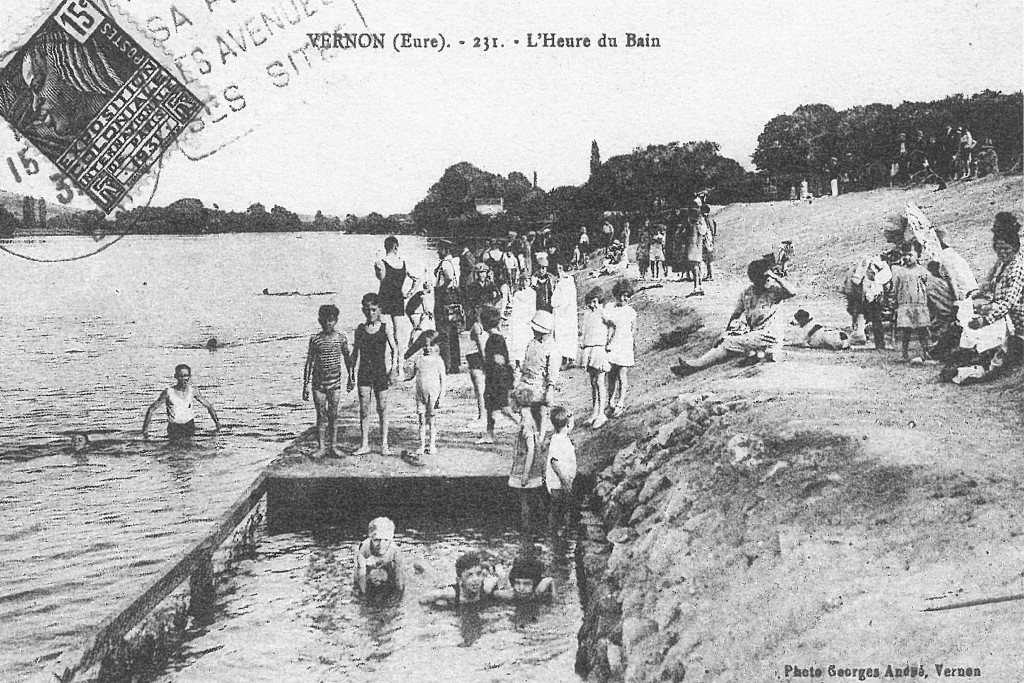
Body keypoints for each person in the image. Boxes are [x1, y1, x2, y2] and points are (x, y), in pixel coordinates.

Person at [674, 258, 798, 374]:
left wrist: (775, 276)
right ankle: (757, 354)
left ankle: (697, 365)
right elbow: (736, 315)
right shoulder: (747, 293)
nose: (764, 282)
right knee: (726, 339)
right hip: (754, 335)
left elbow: (792, 291)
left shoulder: (774, 292)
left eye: (766, 278)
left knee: (729, 343)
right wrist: (726, 332)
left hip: (770, 336)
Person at [302, 304, 353, 457]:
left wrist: (351, 377)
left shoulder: (341, 338)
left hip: (335, 383)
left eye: (331, 320)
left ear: (336, 321)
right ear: (320, 321)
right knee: (321, 415)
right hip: (318, 384)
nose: (328, 324)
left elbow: (347, 358)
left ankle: (334, 446)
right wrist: (305, 385)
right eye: (325, 321)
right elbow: (309, 362)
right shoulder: (315, 340)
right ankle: (321, 447)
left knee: (334, 414)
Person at [351, 293, 397, 455]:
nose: (370, 313)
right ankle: (364, 444)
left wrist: (394, 369)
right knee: (364, 409)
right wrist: (350, 374)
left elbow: (395, 349)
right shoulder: (360, 330)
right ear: (363, 310)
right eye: (367, 310)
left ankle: (384, 444)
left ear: (379, 310)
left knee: (382, 407)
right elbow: (355, 353)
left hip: (380, 372)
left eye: (373, 310)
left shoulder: (385, 328)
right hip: (364, 372)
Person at [463, 263, 501, 423]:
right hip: (478, 322)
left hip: (489, 321)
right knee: (479, 379)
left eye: (484, 272)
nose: (481, 275)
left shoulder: (491, 285)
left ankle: (493, 410)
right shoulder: (471, 288)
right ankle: (482, 413)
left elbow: (498, 297)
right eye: (479, 273)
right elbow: (471, 307)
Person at [142, 364, 221, 441]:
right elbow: (151, 409)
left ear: (189, 377)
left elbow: (209, 406)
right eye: (180, 376)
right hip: (174, 428)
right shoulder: (169, 392)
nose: (183, 378)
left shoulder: (193, 391)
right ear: (175, 376)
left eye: (186, 375)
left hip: (189, 426)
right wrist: (145, 431)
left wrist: (218, 425)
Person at [477, 306, 518, 445]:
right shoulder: (495, 338)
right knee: (490, 407)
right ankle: (489, 434)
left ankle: (525, 426)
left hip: (498, 379)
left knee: (504, 407)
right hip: (494, 378)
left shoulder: (495, 339)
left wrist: (491, 369)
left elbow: (499, 360)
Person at [515, 310, 559, 435]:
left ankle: (540, 440)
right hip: (527, 384)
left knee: (541, 415)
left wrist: (550, 390)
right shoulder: (531, 344)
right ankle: (529, 440)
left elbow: (552, 373)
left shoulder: (552, 349)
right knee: (526, 415)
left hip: (541, 387)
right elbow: (526, 364)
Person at [375, 235, 417, 364]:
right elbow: (416, 279)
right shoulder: (403, 262)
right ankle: (399, 359)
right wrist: (409, 293)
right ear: (396, 246)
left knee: (387, 330)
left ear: (385, 247)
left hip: (384, 298)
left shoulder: (380, 262)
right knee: (399, 331)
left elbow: (381, 279)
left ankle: (393, 352)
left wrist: (377, 266)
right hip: (398, 298)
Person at [508, 391, 545, 533]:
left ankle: (526, 532)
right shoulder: (529, 420)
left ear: (518, 404)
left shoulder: (526, 424)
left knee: (524, 502)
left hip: (525, 468)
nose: (510, 405)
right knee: (532, 499)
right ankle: (536, 530)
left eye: (512, 402)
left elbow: (531, 450)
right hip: (529, 468)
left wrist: (525, 474)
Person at [406, 331, 446, 456]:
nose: (428, 348)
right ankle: (422, 445)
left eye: (432, 345)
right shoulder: (419, 360)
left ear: (438, 346)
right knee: (421, 420)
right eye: (425, 345)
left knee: (432, 420)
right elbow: (411, 375)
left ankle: (432, 444)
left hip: (433, 395)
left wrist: (441, 397)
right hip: (420, 395)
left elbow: (443, 381)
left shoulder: (438, 361)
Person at [891, 242, 931, 362]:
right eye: (904, 255)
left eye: (910, 254)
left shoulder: (923, 272)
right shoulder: (899, 272)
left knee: (922, 330)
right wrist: (895, 303)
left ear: (918, 255)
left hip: (919, 305)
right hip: (905, 305)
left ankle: (926, 352)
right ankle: (904, 354)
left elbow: (929, 287)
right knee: (905, 331)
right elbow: (896, 289)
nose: (907, 257)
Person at [421, 551, 502, 607]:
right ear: (460, 580)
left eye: (478, 574)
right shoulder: (452, 594)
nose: (475, 579)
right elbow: (423, 598)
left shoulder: (486, 588)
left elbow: (497, 577)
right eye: (469, 575)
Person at [603, 279, 637, 418]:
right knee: (611, 376)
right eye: (622, 295)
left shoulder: (631, 311)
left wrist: (630, 344)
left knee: (622, 375)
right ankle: (610, 401)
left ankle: (621, 402)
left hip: (624, 345)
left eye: (627, 296)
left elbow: (633, 330)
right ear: (617, 294)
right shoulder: (610, 308)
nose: (624, 298)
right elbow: (605, 319)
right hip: (613, 345)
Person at [580, 286, 611, 428]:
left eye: (595, 302)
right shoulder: (588, 315)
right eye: (591, 302)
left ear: (600, 301)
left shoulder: (604, 313)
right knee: (593, 382)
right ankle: (594, 411)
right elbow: (585, 332)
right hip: (589, 348)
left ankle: (601, 414)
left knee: (600, 381)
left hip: (599, 349)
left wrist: (608, 343)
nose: (592, 305)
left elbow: (613, 326)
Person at [545, 406, 576, 542]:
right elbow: (554, 462)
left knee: (564, 506)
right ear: (568, 424)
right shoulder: (557, 440)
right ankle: (554, 534)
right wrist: (563, 479)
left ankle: (562, 532)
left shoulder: (563, 438)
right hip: (558, 482)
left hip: (564, 481)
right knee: (557, 507)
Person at [354, 517, 405, 597]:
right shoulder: (363, 549)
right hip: (368, 566)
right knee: (359, 584)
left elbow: (399, 580)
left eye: (386, 540)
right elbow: (361, 576)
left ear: (391, 539)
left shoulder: (395, 551)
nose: (381, 545)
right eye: (377, 540)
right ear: (370, 537)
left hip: (387, 565)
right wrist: (363, 596)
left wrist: (398, 599)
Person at [433, 241, 462, 374]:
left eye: (440, 249)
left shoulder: (445, 263)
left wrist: (441, 288)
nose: (438, 252)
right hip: (453, 297)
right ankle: (454, 364)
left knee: (443, 330)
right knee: (453, 330)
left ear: (445, 250)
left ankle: (447, 364)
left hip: (444, 298)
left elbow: (449, 278)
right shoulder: (454, 262)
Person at [683, 219, 705, 296]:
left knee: (694, 268)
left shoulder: (691, 227)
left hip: (692, 248)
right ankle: (700, 286)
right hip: (699, 248)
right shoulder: (700, 226)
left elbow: (682, 236)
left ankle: (696, 287)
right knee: (699, 267)